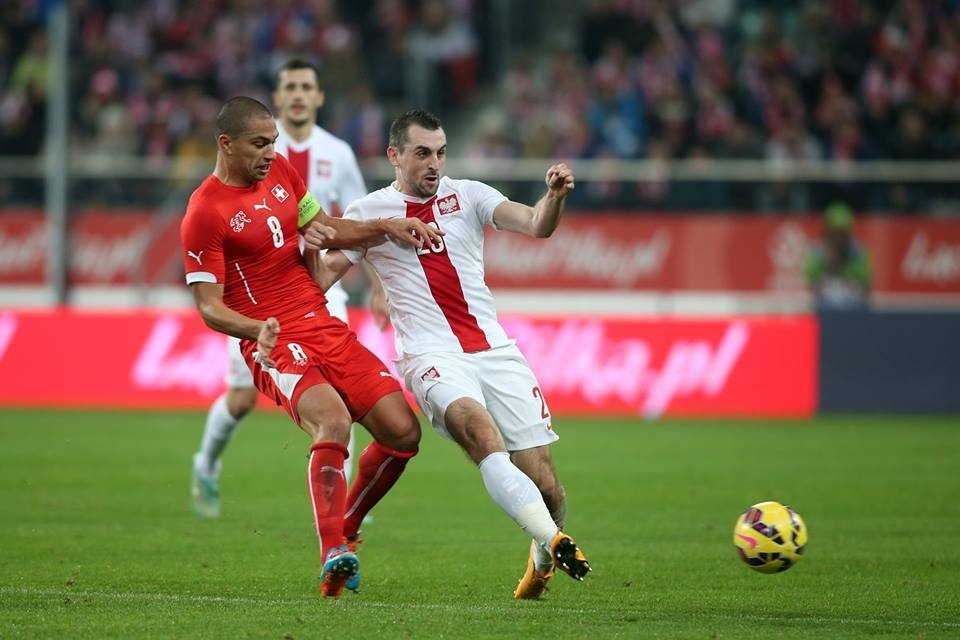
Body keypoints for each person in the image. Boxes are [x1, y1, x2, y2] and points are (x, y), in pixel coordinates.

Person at [307, 109, 592, 600]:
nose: (434, 163)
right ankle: (553, 538)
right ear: (394, 156)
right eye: (422, 153)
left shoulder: (472, 195)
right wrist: (307, 251)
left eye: (440, 152)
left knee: (547, 485)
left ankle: (543, 558)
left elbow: (535, 225)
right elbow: (320, 281)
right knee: (479, 433)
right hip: (429, 357)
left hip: (495, 350)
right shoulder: (368, 212)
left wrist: (554, 198)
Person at [180, 96, 443, 598]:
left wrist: (385, 227)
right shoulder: (203, 212)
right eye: (259, 144)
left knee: (403, 434)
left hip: (323, 322)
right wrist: (257, 331)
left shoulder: (280, 172)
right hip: (275, 340)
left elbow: (324, 230)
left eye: (273, 142)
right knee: (334, 421)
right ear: (226, 143)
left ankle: (344, 527)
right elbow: (209, 307)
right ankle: (332, 554)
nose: (270, 152)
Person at [190, 59, 388, 520]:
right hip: (258, 295)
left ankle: (342, 497)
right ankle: (206, 462)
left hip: (318, 286)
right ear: (278, 99)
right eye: (290, 87)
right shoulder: (250, 149)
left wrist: (377, 287)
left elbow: (353, 220)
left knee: (339, 389)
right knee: (240, 400)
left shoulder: (337, 153)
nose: (298, 94)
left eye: (307, 87)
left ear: (319, 97)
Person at [805, 202, 872, 310]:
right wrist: (828, 262)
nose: (838, 238)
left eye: (842, 233)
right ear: (827, 230)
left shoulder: (857, 250)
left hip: (852, 302)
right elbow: (811, 278)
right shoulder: (817, 248)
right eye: (834, 232)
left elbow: (866, 281)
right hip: (825, 301)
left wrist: (845, 263)